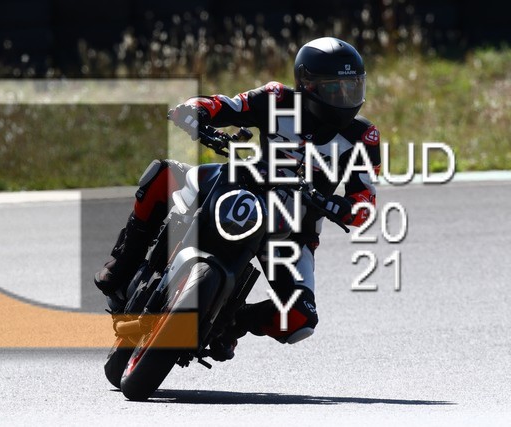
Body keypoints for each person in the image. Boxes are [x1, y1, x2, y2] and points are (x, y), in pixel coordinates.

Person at [95, 37, 381, 360]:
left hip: (293, 231)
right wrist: (194, 111)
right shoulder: (276, 98)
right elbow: (226, 106)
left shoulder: (364, 137)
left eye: (352, 88)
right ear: (307, 85)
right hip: (244, 185)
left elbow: (365, 202)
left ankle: (229, 323)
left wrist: (343, 208)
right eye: (334, 89)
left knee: (301, 319)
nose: (344, 99)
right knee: (162, 174)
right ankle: (123, 266)